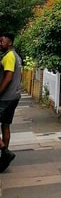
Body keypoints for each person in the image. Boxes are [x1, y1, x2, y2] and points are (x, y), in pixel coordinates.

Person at [0, 32, 22, 172]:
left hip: (5, 98)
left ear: (10, 43)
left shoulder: (9, 56)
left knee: (5, 125)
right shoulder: (17, 56)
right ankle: (4, 157)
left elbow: (8, 77)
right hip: (14, 96)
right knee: (5, 125)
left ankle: (5, 151)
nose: (0, 43)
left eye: (2, 41)